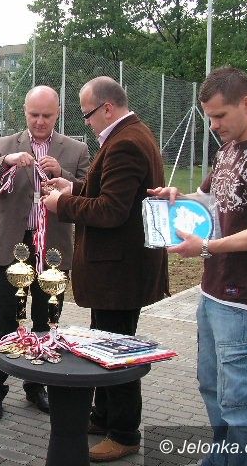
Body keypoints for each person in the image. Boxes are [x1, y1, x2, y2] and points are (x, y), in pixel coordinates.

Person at [149, 66, 247, 466]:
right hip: (213, 292)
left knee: (242, 403)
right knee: (212, 388)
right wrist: (178, 196)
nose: (213, 125)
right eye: (209, 117)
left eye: (219, 116)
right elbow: (210, 200)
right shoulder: (228, 150)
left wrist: (209, 246)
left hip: (243, 300)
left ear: (246, 104)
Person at [42, 76, 168, 462]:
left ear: (107, 108)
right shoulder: (129, 134)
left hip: (119, 272)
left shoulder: (126, 142)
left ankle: (125, 433)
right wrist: (73, 187)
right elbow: (107, 189)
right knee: (105, 343)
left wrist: (62, 204)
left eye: (87, 114)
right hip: (119, 270)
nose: (87, 122)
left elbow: (111, 210)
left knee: (118, 350)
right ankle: (103, 415)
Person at [0, 85, 90, 421]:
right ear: (25, 112)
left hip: (52, 248)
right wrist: (6, 162)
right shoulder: (4, 145)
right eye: (34, 114)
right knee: (3, 320)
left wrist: (61, 174)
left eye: (47, 115)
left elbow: (87, 193)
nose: (40, 121)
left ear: (58, 114)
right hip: (13, 245)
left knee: (46, 320)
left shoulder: (76, 149)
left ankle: (36, 385)